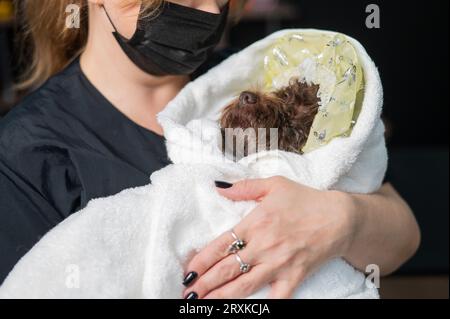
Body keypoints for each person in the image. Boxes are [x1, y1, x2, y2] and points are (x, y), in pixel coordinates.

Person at [0, 0, 420, 298]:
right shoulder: (27, 153)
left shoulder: (253, 82)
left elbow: (404, 234)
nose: (210, 12)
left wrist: (341, 220)